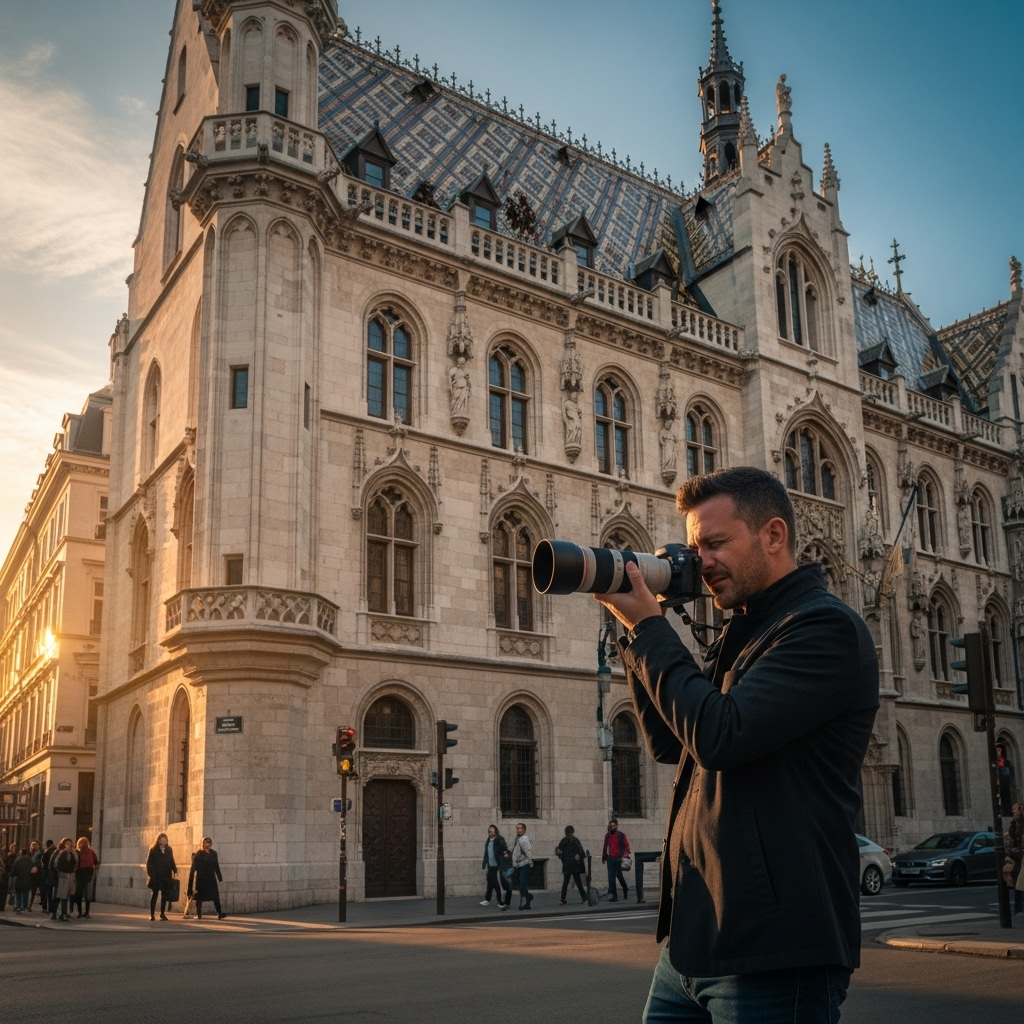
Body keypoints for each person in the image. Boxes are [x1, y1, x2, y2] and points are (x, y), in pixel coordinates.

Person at [597, 467, 879, 1024]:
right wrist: (634, 632)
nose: (701, 562)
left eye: (715, 544)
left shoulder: (825, 630)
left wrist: (652, 630)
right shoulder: (745, 631)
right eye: (697, 546)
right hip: (693, 944)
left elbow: (720, 735)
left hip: (776, 950)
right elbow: (666, 740)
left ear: (773, 536)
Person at [187, 837, 225, 920]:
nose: (207, 845)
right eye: (205, 843)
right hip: (201, 879)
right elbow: (192, 871)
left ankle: (219, 913)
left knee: (215, 896)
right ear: (202, 844)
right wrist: (189, 887)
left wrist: (220, 879)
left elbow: (216, 867)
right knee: (200, 898)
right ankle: (199, 914)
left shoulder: (214, 853)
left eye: (208, 843)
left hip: (211, 878)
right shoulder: (198, 854)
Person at [146, 833, 178, 921]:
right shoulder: (153, 850)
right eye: (162, 840)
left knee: (164, 895)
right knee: (155, 895)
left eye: (165, 841)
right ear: (158, 840)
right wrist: (151, 874)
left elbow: (171, 860)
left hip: (166, 875)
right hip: (156, 876)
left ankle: (162, 914)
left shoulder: (169, 850)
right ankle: (152, 914)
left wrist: (175, 870)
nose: (163, 842)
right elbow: (149, 863)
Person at [555, 825, 587, 904]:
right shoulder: (564, 841)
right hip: (567, 864)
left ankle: (584, 897)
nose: (569, 836)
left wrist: (578, 856)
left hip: (574, 864)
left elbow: (582, 852)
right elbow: (559, 850)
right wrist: (560, 855)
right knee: (566, 882)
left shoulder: (575, 841)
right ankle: (563, 898)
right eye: (568, 834)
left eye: (571, 834)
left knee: (577, 881)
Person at [480, 824, 510, 908]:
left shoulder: (500, 839)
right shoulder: (488, 840)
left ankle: (490, 900)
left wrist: (505, 855)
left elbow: (504, 849)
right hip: (490, 864)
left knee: (492, 882)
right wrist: (484, 862)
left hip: (498, 863)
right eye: (489, 831)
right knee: (493, 882)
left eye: (492, 831)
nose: (490, 832)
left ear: (495, 831)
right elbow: (486, 852)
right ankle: (496, 900)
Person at [602, 819, 631, 902]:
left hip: (618, 859)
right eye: (611, 826)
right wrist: (604, 857)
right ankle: (614, 896)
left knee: (619, 876)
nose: (612, 827)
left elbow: (627, 847)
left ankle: (625, 889)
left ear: (617, 826)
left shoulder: (621, 835)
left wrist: (624, 856)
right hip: (610, 859)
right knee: (611, 878)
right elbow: (605, 847)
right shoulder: (607, 835)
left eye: (614, 826)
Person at [50, 838, 78, 922]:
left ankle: (63, 913)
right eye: (67, 844)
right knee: (58, 896)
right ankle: (54, 913)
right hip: (60, 876)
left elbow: (75, 863)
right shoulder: (59, 852)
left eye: (70, 844)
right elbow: (53, 864)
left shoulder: (72, 854)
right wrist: (56, 875)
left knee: (65, 896)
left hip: (69, 876)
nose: (69, 846)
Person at [71, 837, 99, 918]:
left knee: (79, 893)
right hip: (89, 873)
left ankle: (80, 912)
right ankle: (87, 912)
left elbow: (76, 863)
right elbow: (96, 862)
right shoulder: (91, 852)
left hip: (80, 873)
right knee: (87, 894)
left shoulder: (78, 852)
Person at [510, 822, 533, 911]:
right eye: (517, 828)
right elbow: (514, 849)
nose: (519, 830)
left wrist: (529, 861)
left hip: (524, 864)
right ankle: (527, 900)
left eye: (520, 828)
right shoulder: (517, 839)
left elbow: (528, 851)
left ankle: (524, 901)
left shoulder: (524, 840)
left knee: (523, 884)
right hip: (517, 865)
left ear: (524, 830)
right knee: (520, 885)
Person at [1007, 801, 1023, 915]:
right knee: (1019, 883)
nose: (1014, 813)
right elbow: (1011, 839)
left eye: (1016, 811)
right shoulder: (1014, 824)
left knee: (1020, 883)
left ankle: (1019, 909)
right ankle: (1018, 909)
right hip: (1019, 856)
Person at [9, 849, 35, 913]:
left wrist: (11, 875)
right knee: (25, 892)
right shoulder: (30, 860)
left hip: (19, 879)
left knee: (18, 893)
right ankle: (25, 905)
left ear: (21, 853)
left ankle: (18, 906)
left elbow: (14, 870)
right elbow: (33, 869)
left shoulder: (18, 860)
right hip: (27, 878)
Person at [39, 840, 56, 913]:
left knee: (46, 892)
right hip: (53, 874)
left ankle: (45, 906)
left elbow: (43, 862)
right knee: (51, 892)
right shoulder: (54, 852)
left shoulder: (46, 852)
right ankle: (51, 907)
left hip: (46, 874)